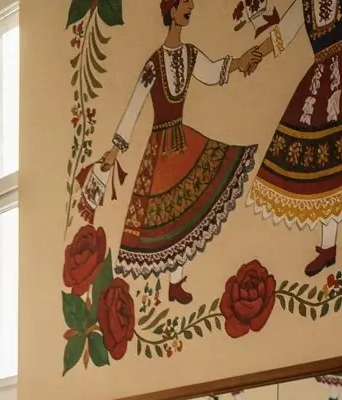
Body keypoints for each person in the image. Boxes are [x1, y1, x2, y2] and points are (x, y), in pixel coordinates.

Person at [101, 0, 260, 304]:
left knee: (185, 212)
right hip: (160, 146)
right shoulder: (153, 62)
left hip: (183, 141)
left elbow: (213, 72)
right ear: (172, 11)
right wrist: (115, 149)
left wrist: (242, 61)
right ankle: (173, 282)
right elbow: (134, 106)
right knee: (167, 215)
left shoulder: (189, 55)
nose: (192, 7)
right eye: (185, 3)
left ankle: (177, 282)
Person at [248, 1, 342, 276]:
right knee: (326, 172)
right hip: (321, 86)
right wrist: (256, 54)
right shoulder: (305, 3)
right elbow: (282, 34)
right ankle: (328, 248)